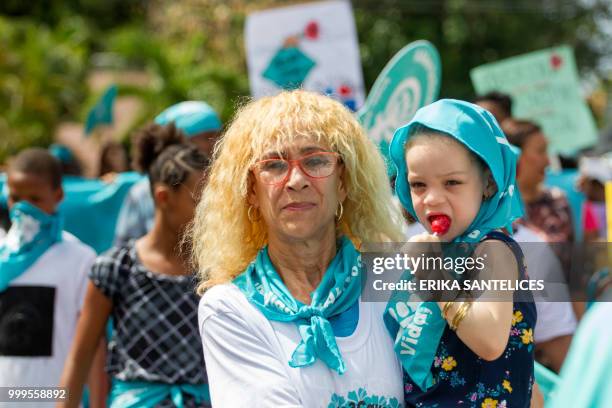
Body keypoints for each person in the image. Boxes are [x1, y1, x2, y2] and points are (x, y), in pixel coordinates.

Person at [192, 90, 406, 406]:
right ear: (251, 189)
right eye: (274, 165)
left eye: (316, 160)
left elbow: (498, 271)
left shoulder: (395, 270)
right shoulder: (228, 308)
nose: (295, 180)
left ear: (344, 182)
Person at [387, 99, 536, 407]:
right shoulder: (434, 250)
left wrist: (432, 273)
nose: (432, 198)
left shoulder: (492, 249)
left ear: (489, 183)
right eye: (418, 185)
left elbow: (490, 342)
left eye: (452, 182)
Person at [59, 128, 212, 407]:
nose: (209, 211)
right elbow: (79, 359)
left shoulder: (217, 271)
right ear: (164, 197)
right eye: (197, 201)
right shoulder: (116, 267)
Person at [0, 149, 96, 403]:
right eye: (15, 198)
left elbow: (94, 345)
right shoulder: (1, 254)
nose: (23, 208)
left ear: (58, 196)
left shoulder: (79, 259)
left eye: (35, 199)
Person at [114, 101, 222, 246]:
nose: (215, 143)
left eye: (217, 135)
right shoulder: (141, 194)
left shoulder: (224, 184)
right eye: (206, 136)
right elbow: (124, 247)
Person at [501, 119, 574, 245]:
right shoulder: (495, 212)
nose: (548, 161)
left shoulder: (558, 201)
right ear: (514, 156)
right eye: (540, 151)